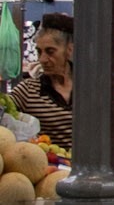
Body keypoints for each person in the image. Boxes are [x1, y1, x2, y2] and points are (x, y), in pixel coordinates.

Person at [11, 11, 74, 152]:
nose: (42, 59)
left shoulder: (92, 90)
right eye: (39, 52)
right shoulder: (28, 90)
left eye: (50, 51)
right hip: (46, 168)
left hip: (88, 170)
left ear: (69, 50)